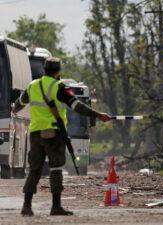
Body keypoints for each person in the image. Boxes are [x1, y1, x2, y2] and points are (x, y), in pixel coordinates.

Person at [12, 57, 111, 216]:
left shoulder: (33, 86)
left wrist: (14, 110)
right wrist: (98, 114)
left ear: (44, 69)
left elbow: (19, 104)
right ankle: (56, 206)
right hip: (53, 133)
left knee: (34, 170)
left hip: (35, 133)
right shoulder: (60, 87)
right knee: (56, 168)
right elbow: (77, 106)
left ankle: (27, 206)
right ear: (58, 71)